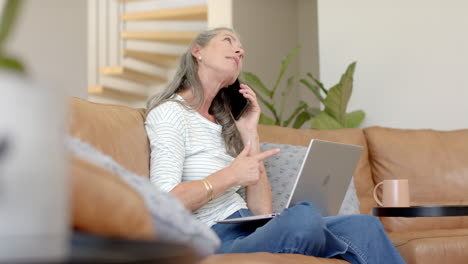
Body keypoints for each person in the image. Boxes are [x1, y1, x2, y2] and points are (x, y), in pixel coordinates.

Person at [144, 27, 406, 264]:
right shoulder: (170, 113)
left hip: (248, 227)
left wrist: (250, 133)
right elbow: (164, 203)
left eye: (241, 48)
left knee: (365, 226)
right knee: (303, 219)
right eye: (228, 40)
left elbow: (262, 211)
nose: (239, 50)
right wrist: (231, 175)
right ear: (197, 51)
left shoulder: (225, 125)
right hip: (212, 237)